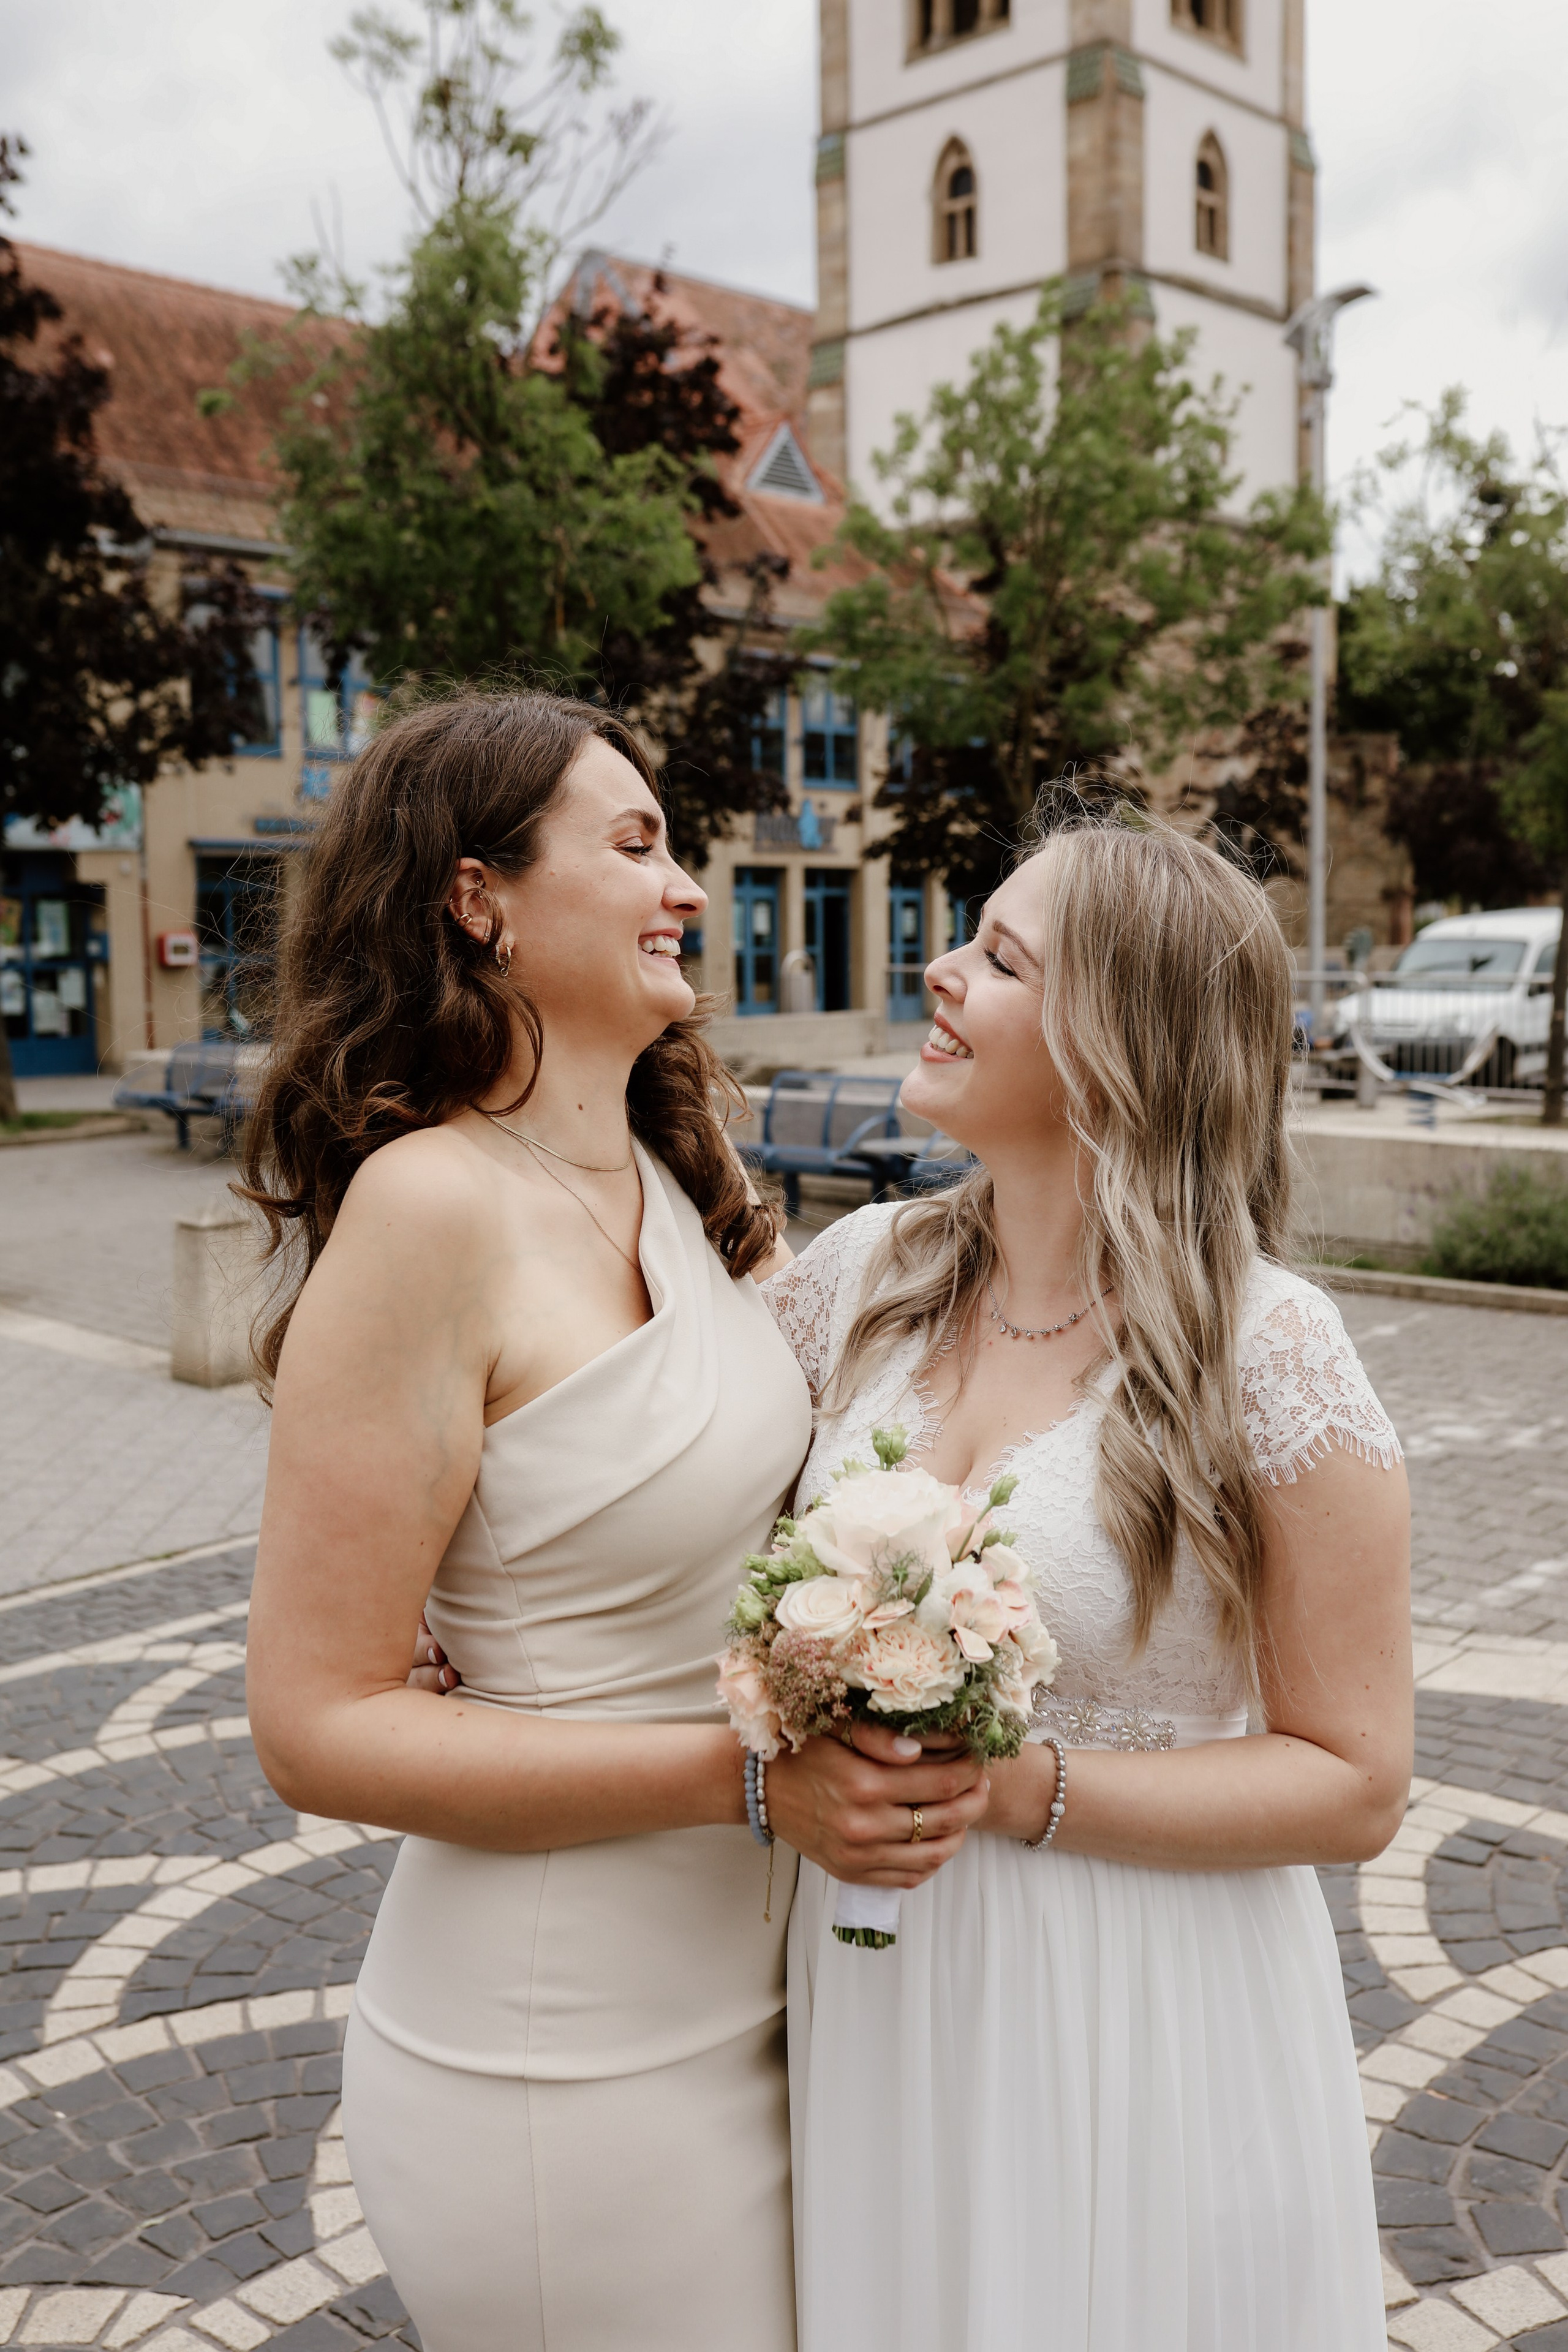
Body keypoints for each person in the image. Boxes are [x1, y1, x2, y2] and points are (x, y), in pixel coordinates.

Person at [241, 690, 990, 2352]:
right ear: (476, 896)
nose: (691, 890)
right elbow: (310, 1728)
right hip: (556, 2048)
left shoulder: (675, 1168)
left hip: (770, 1994)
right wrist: (748, 1778)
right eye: (638, 844)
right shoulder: (428, 1203)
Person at [762, 813, 1412, 2352]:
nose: (939, 968)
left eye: (998, 957)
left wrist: (1014, 1787)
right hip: (881, 1979)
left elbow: (1354, 1781)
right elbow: (648, 1475)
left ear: (1117, 1044)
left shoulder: (1268, 1346)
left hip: (1143, 2000)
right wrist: (478, 1630)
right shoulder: (857, 1276)